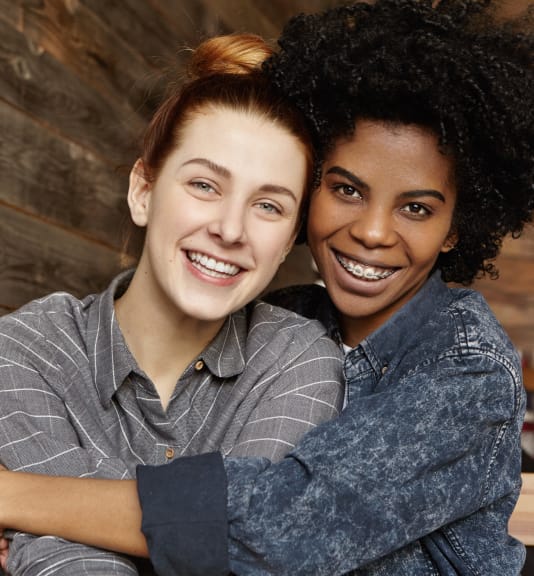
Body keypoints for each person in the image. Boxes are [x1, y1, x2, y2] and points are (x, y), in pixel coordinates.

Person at [0, 0, 533, 574]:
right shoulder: (287, 315)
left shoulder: (462, 368)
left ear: (456, 229)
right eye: (348, 190)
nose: (374, 232)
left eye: (417, 208)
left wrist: (18, 497)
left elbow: (282, 528)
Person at [0, 33, 345, 575]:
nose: (230, 229)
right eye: (205, 185)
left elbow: (253, 545)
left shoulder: (298, 362)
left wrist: (13, 496)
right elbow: (62, 559)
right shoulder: (29, 350)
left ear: (287, 245)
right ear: (144, 190)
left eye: (268, 206)